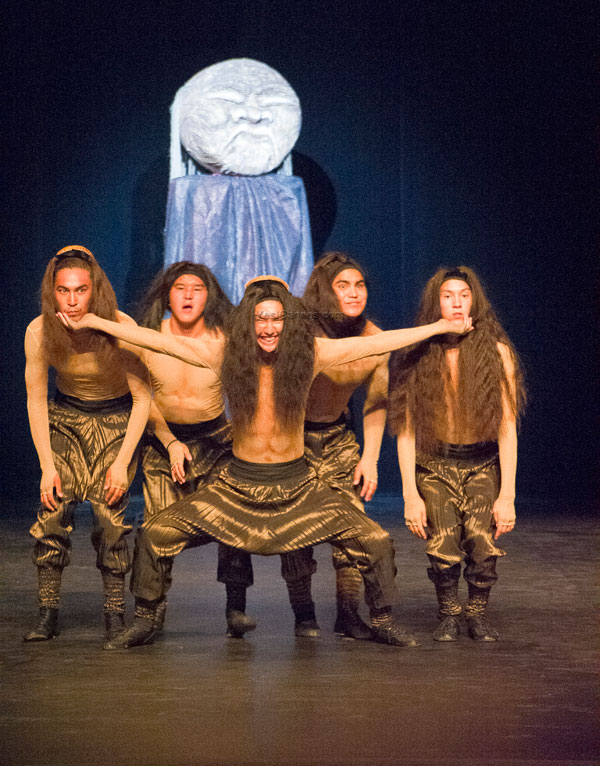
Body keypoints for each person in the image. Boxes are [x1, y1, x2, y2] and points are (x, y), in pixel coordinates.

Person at [59, 275, 471, 651]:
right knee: (155, 533)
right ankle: (146, 620)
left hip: (299, 488)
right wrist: (94, 321)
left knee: (376, 540)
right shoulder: (226, 355)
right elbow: (158, 342)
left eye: (277, 319)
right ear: (249, 323)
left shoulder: (310, 355)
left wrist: (438, 327)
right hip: (236, 488)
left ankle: (381, 620)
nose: (269, 328)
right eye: (261, 319)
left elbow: (377, 344)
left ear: (288, 322)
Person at [388, 267, 525, 642]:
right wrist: (409, 495)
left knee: (482, 542)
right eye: (447, 295)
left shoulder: (496, 353)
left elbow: (507, 427)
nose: (457, 303)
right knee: (443, 544)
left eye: (464, 295)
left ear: (475, 300)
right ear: (436, 302)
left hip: (481, 463)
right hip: (434, 465)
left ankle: (476, 613)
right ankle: (449, 612)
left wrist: (507, 495)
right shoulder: (417, 353)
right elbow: (406, 431)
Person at [24, 245, 151, 642]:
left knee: (110, 517)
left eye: (81, 290)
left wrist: (122, 462)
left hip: (116, 422)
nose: (73, 300)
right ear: (53, 291)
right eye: (64, 290)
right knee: (52, 508)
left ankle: (114, 614)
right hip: (66, 420)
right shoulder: (40, 331)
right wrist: (47, 465)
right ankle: (47, 614)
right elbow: (35, 399)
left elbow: (143, 399)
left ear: (95, 290)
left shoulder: (120, 326)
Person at [135, 261, 255, 637]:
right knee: (156, 526)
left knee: (233, 518)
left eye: (197, 289)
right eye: (180, 288)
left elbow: (245, 388)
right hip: (163, 442)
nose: (188, 295)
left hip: (215, 441)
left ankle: (236, 608)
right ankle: (149, 614)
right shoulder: (149, 337)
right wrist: (170, 441)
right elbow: (142, 398)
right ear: (167, 295)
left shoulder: (223, 338)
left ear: (209, 296)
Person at [280, 253, 390, 640]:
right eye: (343, 286)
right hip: (293, 438)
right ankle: (304, 614)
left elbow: (376, 403)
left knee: (352, 528)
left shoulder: (375, 339)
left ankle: (347, 613)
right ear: (326, 291)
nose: (354, 292)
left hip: (339, 439)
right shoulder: (301, 331)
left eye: (360, 285)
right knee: (295, 531)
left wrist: (370, 458)